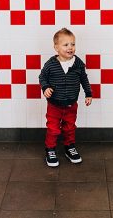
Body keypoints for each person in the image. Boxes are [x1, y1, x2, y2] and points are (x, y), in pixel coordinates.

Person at [39, 27, 92, 167]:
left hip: (71, 104)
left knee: (69, 127)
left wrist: (88, 93)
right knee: (53, 128)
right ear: (56, 47)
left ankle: (69, 147)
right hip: (54, 105)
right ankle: (50, 149)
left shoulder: (78, 63)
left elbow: (84, 79)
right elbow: (42, 77)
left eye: (73, 44)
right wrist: (45, 87)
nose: (70, 48)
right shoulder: (51, 64)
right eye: (66, 44)